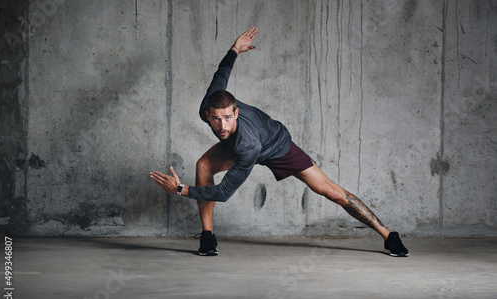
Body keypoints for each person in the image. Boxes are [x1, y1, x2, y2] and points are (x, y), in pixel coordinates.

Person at [150, 27, 409, 258]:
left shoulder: (247, 144)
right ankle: (208, 237)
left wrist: (180, 189)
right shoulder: (211, 106)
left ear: (236, 112)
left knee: (331, 191)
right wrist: (234, 50)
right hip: (241, 144)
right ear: (208, 114)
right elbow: (222, 73)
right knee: (204, 165)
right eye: (216, 119)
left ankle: (388, 235)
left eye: (228, 118)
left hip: (276, 147)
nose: (222, 126)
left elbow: (224, 193)